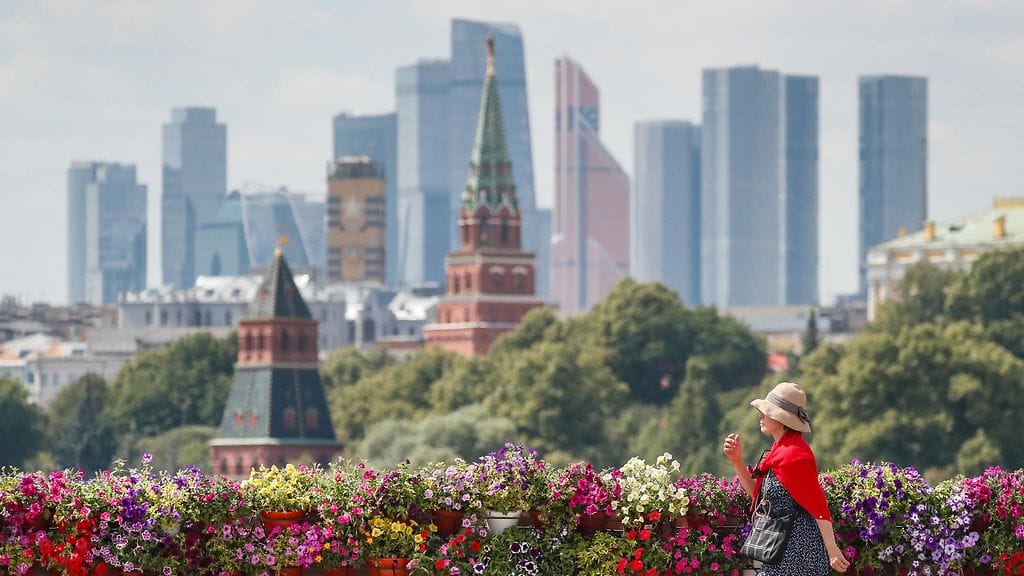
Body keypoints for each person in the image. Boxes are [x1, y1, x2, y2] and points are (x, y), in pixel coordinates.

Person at [722, 381, 850, 575]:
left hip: (798, 553)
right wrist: (736, 461)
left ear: (781, 418)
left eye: (766, 412)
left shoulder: (794, 456)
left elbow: (818, 505)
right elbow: (759, 498)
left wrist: (832, 550)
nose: (761, 416)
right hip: (781, 551)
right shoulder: (779, 452)